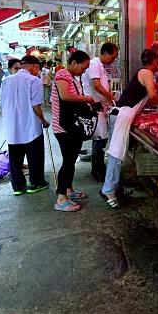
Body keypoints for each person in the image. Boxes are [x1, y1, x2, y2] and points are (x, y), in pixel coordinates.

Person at [100, 49, 158, 208]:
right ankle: (108, 190)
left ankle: (116, 187)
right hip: (121, 116)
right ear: (154, 61)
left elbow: (156, 86)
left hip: (122, 115)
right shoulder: (146, 73)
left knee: (119, 153)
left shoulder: (144, 73)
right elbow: (153, 94)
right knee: (117, 154)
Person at [0, 55, 50, 196]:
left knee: (15, 159)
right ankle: (36, 183)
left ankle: (18, 187)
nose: (38, 72)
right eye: (38, 69)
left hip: (12, 126)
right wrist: (43, 120)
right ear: (34, 66)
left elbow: (2, 103)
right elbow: (36, 105)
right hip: (30, 124)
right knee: (35, 156)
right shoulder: (33, 80)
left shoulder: (6, 81)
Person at [51, 51, 93, 212]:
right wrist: (87, 99)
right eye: (83, 67)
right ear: (73, 63)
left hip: (71, 125)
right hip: (63, 127)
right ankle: (61, 199)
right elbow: (65, 96)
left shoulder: (73, 78)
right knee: (68, 161)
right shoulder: (62, 74)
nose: (84, 71)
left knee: (71, 159)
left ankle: (68, 189)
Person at [81, 42, 118, 181]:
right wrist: (111, 98)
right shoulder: (95, 64)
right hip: (96, 106)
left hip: (100, 106)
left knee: (100, 138)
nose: (113, 60)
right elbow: (97, 86)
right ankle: (98, 170)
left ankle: (98, 168)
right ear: (105, 53)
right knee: (100, 139)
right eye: (113, 57)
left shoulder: (99, 65)